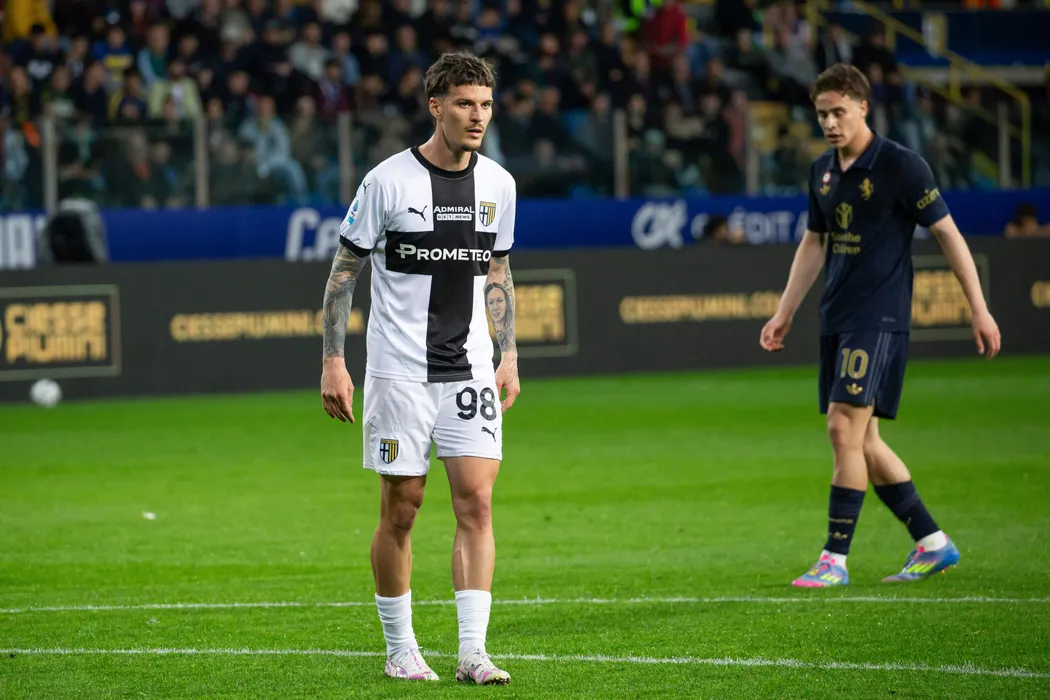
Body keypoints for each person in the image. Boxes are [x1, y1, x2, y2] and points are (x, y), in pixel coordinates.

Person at [318, 52, 519, 684]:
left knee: (477, 504)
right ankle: (400, 649)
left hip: (470, 371)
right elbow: (343, 275)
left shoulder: (500, 185)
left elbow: (498, 270)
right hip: (399, 374)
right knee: (402, 509)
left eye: (485, 105)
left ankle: (472, 652)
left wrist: (509, 352)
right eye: (465, 104)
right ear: (436, 106)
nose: (477, 116)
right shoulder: (387, 182)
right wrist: (333, 360)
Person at [759, 64, 1001, 587]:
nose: (829, 123)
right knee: (863, 441)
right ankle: (933, 543)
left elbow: (948, 234)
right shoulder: (822, 171)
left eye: (838, 112)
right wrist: (785, 310)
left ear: (863, 107)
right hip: (837, 315)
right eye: (821, 114)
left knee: (841, 427)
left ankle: (834, 559)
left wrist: (978, 308)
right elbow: (814, 242)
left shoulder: (900, 165)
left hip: (879, 316)